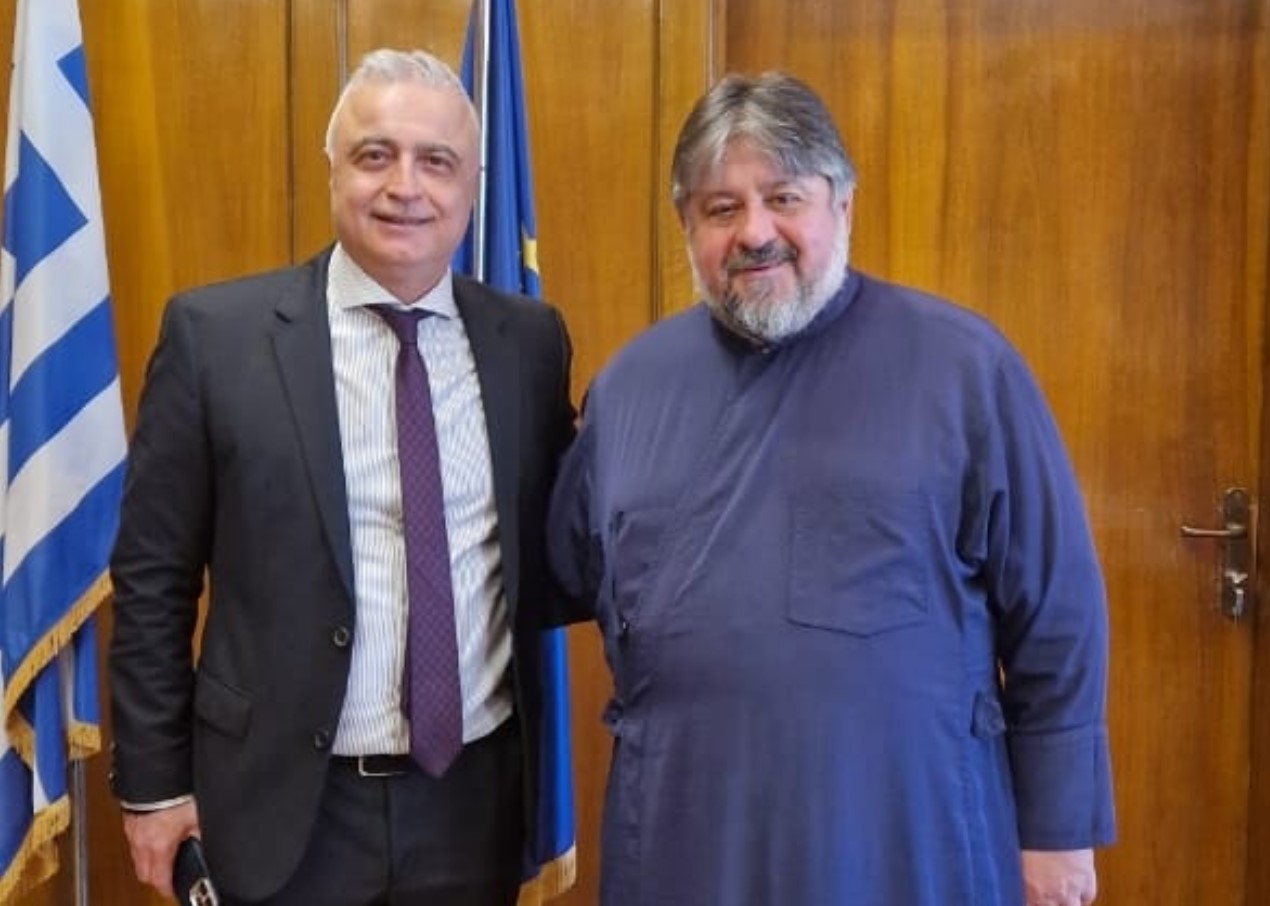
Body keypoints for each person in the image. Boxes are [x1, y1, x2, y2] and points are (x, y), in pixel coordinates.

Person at [547, 71, 1115, 906]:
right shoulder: (629, 387)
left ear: (841, 203)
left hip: (905, 833)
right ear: (686, 225)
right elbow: (563, 570)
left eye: (784, 197)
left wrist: (1058, 831)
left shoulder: (965, 369)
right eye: (721, 207)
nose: (755, 232)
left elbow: (1057, 614)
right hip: (686, 834)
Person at [108, 48, 576, 906]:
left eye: (436, 161)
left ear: (472, 186)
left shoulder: (530, 342)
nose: (405, 186)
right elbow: (152, 580)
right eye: (375, 155)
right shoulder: (216, 339)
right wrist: (153, 786)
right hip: (279, 806)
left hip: (472, 804)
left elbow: (562, 544)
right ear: (333, 170)